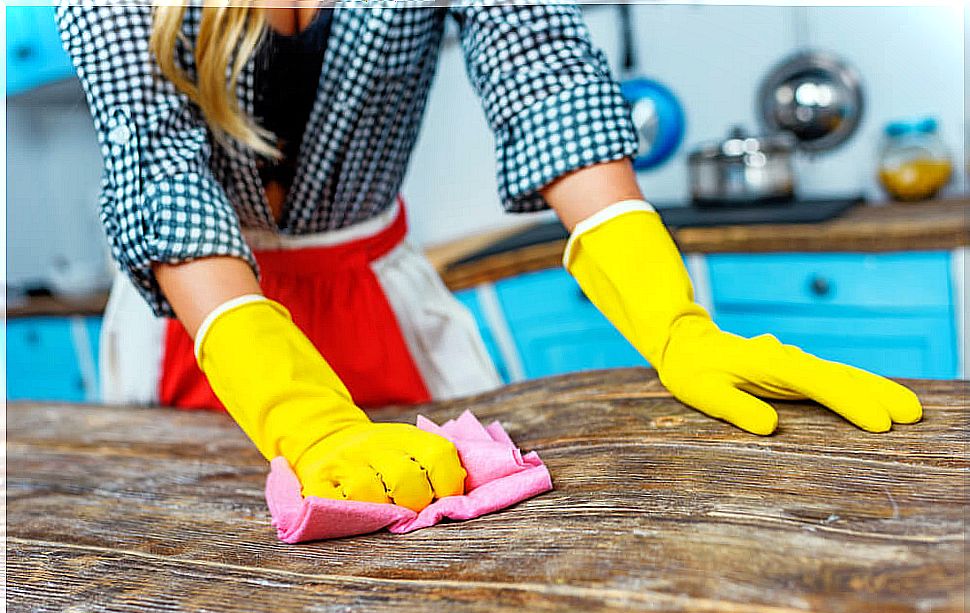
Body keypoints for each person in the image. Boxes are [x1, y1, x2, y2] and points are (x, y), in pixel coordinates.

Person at [57, 2, 922, 512]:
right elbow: (159, 167)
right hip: (210, 321)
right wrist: (305, 419)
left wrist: (673, 322)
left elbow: (545, 76)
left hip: (377, 299)